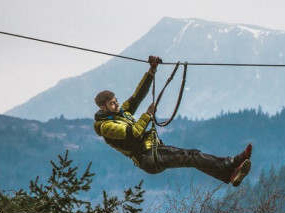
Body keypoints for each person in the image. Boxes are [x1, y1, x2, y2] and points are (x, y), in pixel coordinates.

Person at [94, 55, 252, 186]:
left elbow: (138, 95)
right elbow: (133, 133)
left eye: (116, 101)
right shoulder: (106, 127)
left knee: (193, 156)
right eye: (111, 103)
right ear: (103, 107)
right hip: (148, 158)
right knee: (192, 157)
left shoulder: (122, 113)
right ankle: (232, 165)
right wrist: (148, 114)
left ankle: (230, 172)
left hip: (154, 150)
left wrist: (151, 71)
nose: (116, 105)